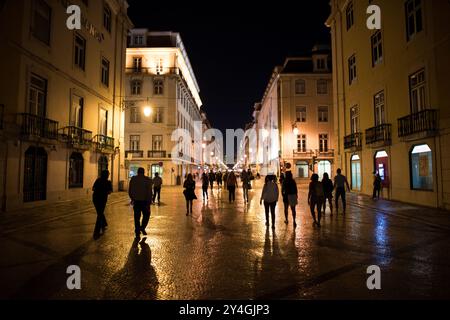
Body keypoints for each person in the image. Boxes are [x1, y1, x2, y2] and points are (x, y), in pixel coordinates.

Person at [129, 167, 153, 238]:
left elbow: (130, 190)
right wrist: (149, 200)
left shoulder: (133, 179)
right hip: (145, 201)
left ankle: (137, 231)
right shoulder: (148, 180)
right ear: (144, 172)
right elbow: (149, 192)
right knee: (146, 215)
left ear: (137, 172)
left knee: (137, 217)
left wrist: (132, 198)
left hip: (136, 201)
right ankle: (142, 227)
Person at [92, 170, 113, 239]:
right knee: (100, 214)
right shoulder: (108, 182)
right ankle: (96, 231)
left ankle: (104, 223)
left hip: (95, 198)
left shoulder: (98, 180)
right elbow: (110, 192)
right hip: (102, 199)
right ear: (107, 175)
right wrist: (105, 191)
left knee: (99, 212)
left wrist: (98, 190)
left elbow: (93, 188)